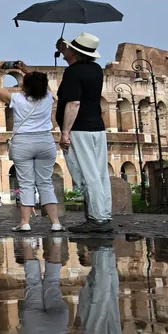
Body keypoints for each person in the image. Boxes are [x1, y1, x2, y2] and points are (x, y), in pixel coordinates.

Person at [0, 61, 64, 233]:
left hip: (23, 142)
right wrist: (25, 70)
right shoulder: (47, 97)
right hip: (46, 141)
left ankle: (25, 222)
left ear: (26, 85)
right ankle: (56, 223)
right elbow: (41, 85)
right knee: (45, 183)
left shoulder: (17, 98)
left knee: (26, 184)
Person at [56, 33, 113, 233]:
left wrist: (65, 132)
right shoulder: (96, 70)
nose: (66, 50)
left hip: (79, 129)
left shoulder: (73, 73)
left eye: (69, 48)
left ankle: (97, 220)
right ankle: (104, 215)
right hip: (97, 128)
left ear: (76, 52)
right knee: (100, 174)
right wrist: (62, 49)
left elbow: (73, 103)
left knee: (87, 175)